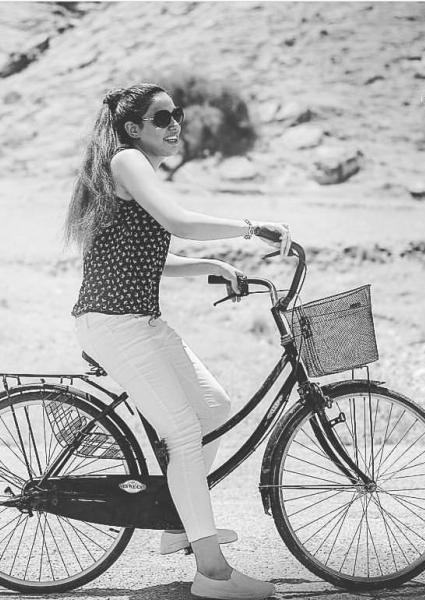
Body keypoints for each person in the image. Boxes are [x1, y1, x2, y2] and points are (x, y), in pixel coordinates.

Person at [64, 83, 290, 600]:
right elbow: (178, 222)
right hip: (114, 324)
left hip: (139, 321)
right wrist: (251, 227)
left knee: (213, 407)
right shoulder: (127, 160)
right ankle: (212, 574)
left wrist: (212, 265)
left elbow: (147, 255)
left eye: (177, 115)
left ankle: (178, 524)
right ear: (133, 128)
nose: (175, 125)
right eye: (162, 117)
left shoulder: (135, 168)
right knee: (185, 432)